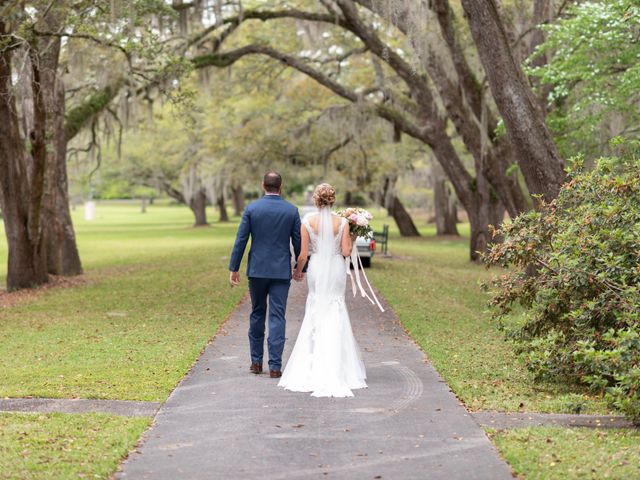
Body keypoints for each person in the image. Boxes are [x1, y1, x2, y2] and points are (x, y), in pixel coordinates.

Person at [278, 183, 367, 397]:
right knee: (336, 305)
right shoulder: (343, 222)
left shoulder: (307, 221)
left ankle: (312, 363)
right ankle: (339, 367)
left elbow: (302, 254)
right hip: (336, 267)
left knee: (316, 305)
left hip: (317, 267)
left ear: (316, 200)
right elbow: (346, 252)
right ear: (333, 200)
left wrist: (298, 271)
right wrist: (352, 238)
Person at [228, 172, 301, 378]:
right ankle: (276, 367)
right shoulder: (291, 210)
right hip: (280, 271)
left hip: (257, 271)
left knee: (257, 313)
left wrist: (234, 267)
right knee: (277, 316)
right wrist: (300, 268)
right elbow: (298, 243)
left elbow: (240, 240)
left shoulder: (252, 209)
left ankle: (256, 362)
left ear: (263, 186)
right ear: (281, 186)